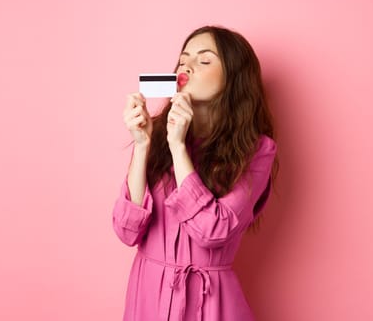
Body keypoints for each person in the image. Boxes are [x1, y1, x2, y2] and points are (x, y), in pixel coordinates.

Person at [112, 25, 277, 321]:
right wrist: (142, 144)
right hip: (148, 298)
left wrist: (179, 147)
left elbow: (214, 231)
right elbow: (127, 230)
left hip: (210, 304)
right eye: (183, 58)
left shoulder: (257, 150)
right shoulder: (156, 133)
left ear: (234, 77)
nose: (187, 65)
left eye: (204, 60)